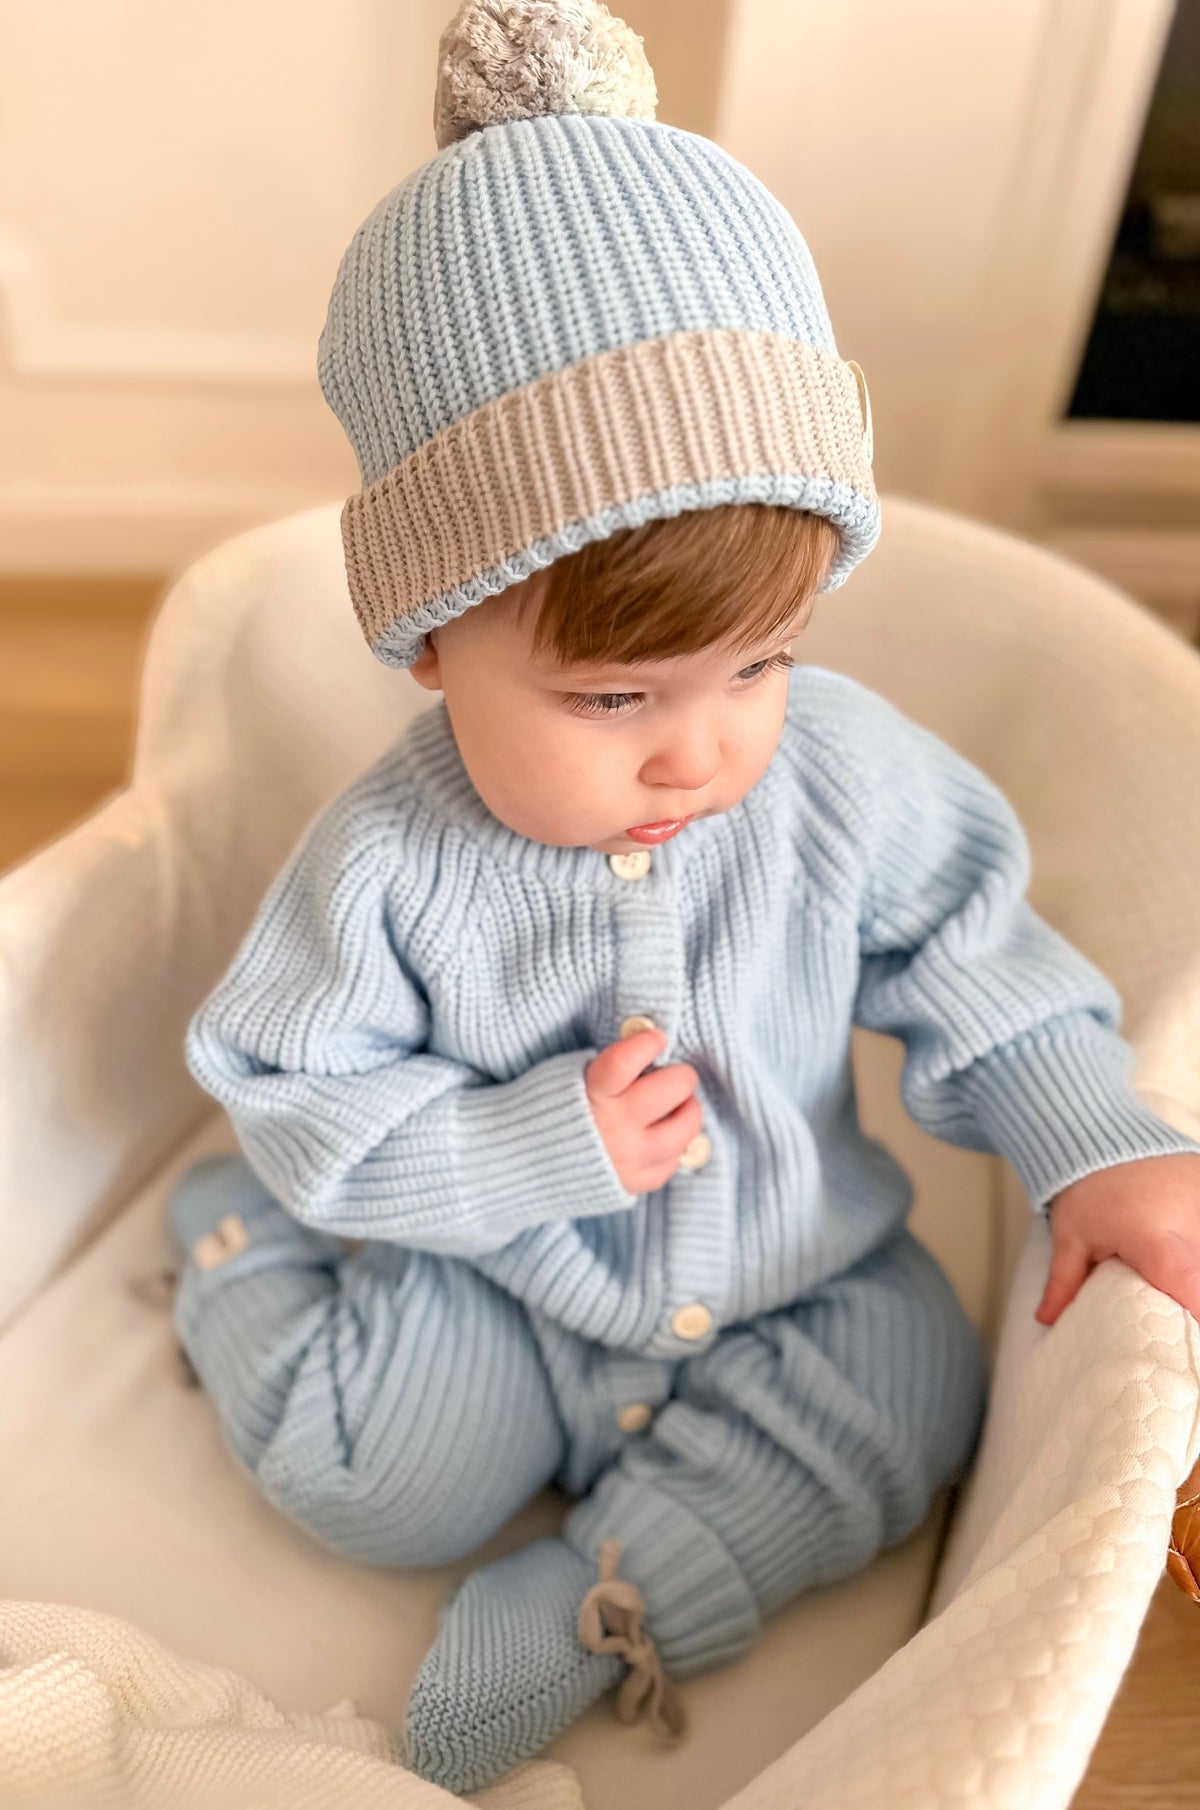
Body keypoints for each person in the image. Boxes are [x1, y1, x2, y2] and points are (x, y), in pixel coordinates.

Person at [165, 0, 1200, 1794]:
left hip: (796, 1264)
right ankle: (227, 1263)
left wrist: (1091, 1139)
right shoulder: (393, 859)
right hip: (493, 1275)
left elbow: (980, 959)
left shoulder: (847, 778)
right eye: (614, 699)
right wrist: (519, 1146)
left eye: (761, 664)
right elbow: (295, 1089)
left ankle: (607, 1592)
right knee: (378, 1483)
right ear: (432, 642)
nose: (697, 750)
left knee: (918, 1388)